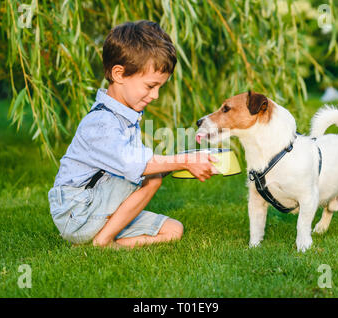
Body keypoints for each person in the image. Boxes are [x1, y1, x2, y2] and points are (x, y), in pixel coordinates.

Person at [48, 20, 218, 248]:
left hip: (95, 207)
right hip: (77, 211)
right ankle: (103, 240)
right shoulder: (102, 122)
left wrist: (186, 160)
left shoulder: (125, 116)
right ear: (119, 74)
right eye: (150, 86)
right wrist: (185, 161)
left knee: (173, 230)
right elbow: (135, 165)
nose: (156, 95)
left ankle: (102, 241)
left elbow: (140, 164)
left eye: (160, 87)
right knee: (153, 176)